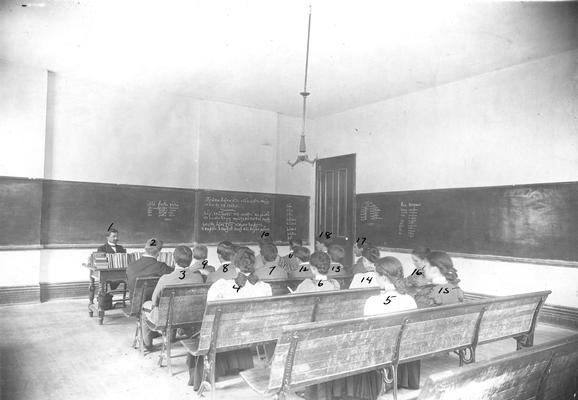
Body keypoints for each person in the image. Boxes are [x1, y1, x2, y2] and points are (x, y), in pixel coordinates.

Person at [187, 247, 272, 389]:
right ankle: (238, 363)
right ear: (254, 265)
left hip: (223, 336)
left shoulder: (221, 286)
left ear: (235, 265)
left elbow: (209, 316)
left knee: (209, 332)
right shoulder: (265, 288)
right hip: (254, 333)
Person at [140, 246, 203, 350]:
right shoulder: (198, 277)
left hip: (167, 319)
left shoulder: (165, 279)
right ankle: (172, 335)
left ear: (174, 259)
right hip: (190, 316)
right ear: (191, 260)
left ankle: (147, 345)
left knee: (145, 306)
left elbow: (154, 301)